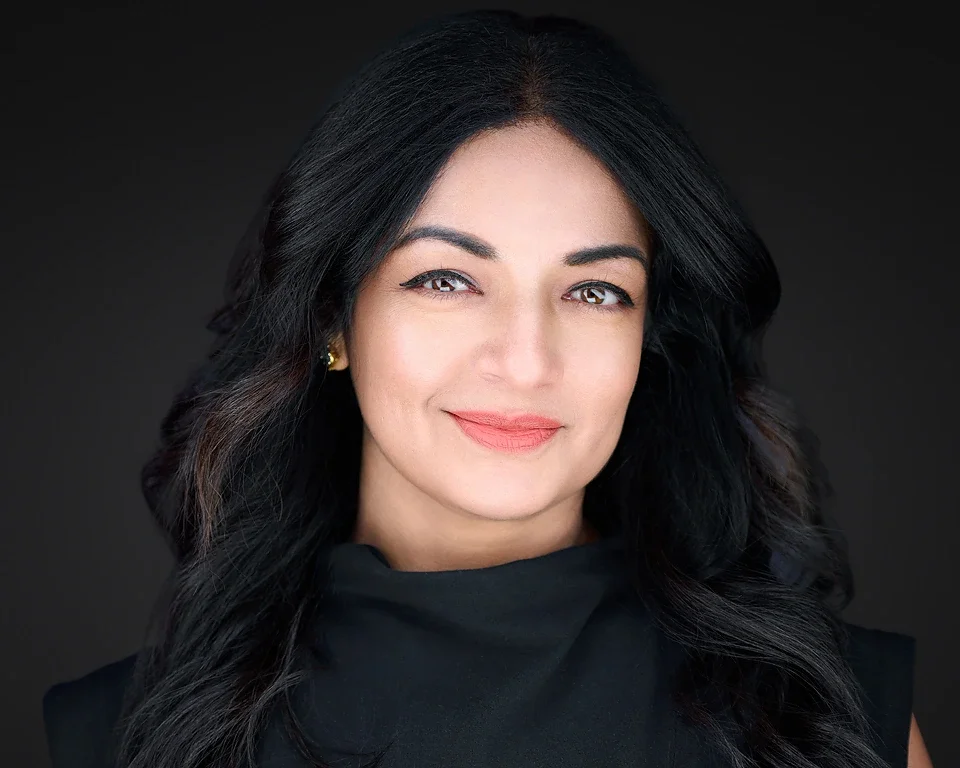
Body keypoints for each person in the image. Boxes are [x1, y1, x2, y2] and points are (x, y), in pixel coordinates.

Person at [41, 9, 933, 768]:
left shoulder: (823, 719)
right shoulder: (124, 737)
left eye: (594, 292)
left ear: (649, 341)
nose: (525, 359)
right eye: (446, 279)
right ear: (332, 321)